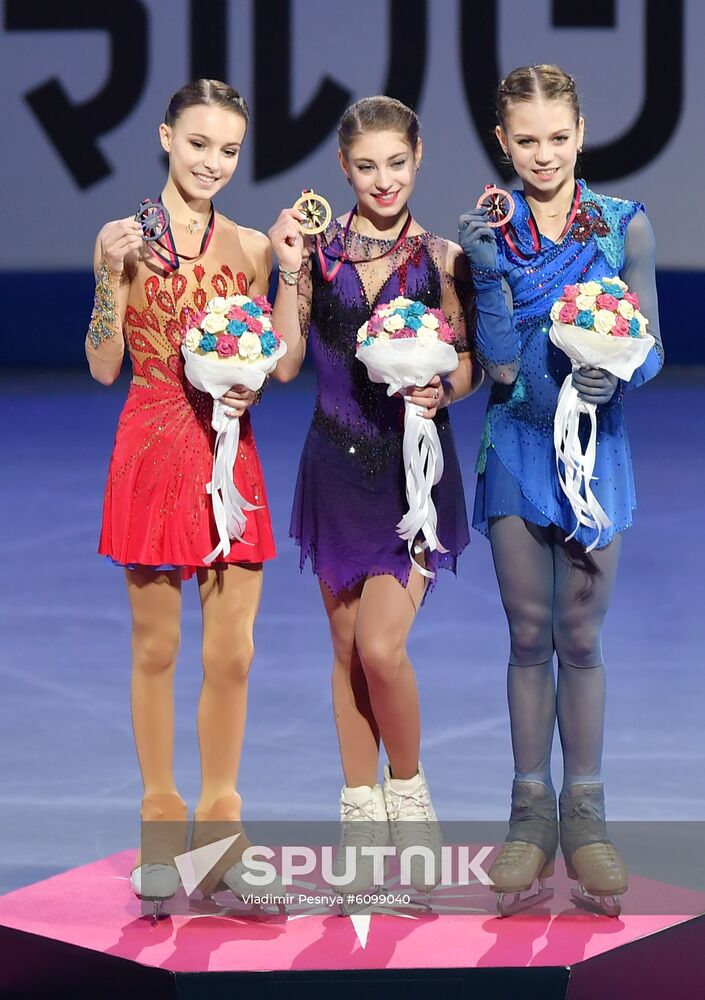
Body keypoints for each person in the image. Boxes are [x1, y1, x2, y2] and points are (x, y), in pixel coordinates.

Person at [458, 64, 663, 917]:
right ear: (503, 142)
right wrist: (481, 272)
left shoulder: (624, 227)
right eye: (525, 140)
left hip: (595, 457)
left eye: (557, 137)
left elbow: (649, 351)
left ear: (579, 134)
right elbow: (501, 366)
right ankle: (526, 816)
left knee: (579, 636)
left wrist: (618, 375)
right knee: (528, 631)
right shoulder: (491, 231)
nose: (543, 154)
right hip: (514, 448)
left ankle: (587, 818)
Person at [268, 96, 478, 899]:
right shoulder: (314, 254)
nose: (382, 179)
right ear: (343, 168)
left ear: (418, 156)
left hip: (413, 474)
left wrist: (443, 391)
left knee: (383, 648)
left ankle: (411, 800)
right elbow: (285, 365)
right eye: (366, 165)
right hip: (332, 468)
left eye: (396, 162)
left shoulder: (446, 258)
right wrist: (288, 267)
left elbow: (462, 365)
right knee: (347, 650)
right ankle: (360, 818)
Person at [86, 79, 280, 916]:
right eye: (198, 143)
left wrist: (246, 393)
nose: (212, 162)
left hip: (229, 454)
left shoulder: (249, 247)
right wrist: (104, 275)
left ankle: (223, 825)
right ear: (166, 138)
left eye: (229, 150)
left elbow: (264, 363)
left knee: (231, 652)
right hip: (151, 440)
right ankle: (161, 820)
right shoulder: (124, 240)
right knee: (157, 648)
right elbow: (102, 364)